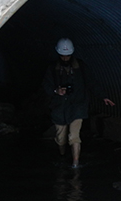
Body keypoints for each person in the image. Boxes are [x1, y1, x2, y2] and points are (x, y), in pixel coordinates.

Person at [42, 38, 115, 168]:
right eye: (63, 56)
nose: (65, 58)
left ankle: (75, 163)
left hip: (77, 105)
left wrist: (103, 96)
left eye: (67, 56)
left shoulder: (80, 67)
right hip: (59, 107)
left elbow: (92, 82)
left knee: (74, 136)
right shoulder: (52, 68)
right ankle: (62, 156)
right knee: (61, 138)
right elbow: (46, 85)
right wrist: (56, 91)